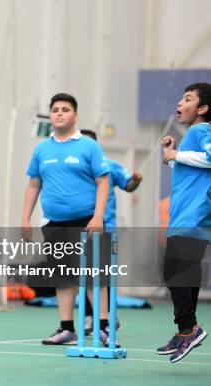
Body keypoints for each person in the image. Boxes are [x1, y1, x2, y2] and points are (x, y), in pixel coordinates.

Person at [21, 93, 112, 346]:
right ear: (50, 116)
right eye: (55, 110)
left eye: (65, 109)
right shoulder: (42, 149)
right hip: (54, 223)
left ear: (75, 115)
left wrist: (98, 216)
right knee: (63, 277)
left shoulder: (89, 146)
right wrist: (25, 218)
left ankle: (103, 327)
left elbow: (103, 182)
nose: (59, 113)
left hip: (86, 222)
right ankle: (66, 328)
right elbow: (33, 184)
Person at [156, 82, 211, 363]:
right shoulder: (193, 134)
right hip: (186, 216)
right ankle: (185, 329)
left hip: (193, 215)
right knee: (181, 271)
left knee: (174, 271)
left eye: (187, 99)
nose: (180, 103)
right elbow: (194, 171)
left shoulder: (201, 130)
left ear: (202, 109)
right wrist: (174, 155)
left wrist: (177, 154)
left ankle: (188, 329)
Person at [79, 129, 143, 335]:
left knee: (101, 273)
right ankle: (90, 316)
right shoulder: (72, 167)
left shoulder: (108, 165)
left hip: (105, 226)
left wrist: (136, 180)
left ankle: (107, 317)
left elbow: (128, 185)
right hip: (78, 226)